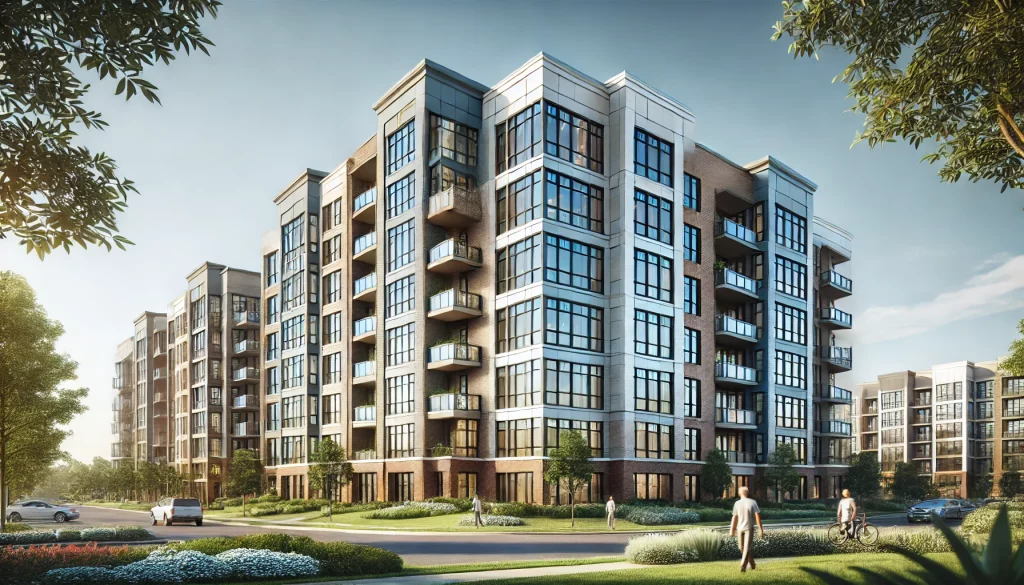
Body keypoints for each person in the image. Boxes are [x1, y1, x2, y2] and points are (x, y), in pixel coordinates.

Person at [729, 486, 764, 573]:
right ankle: (752, 564)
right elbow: (735, 517)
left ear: (739, 493)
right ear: (747, 493)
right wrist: (732, 529)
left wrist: (760, 530)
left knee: (746, 548)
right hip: (740, 529)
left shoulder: (752, 502)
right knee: (741, 547)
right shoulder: (737, 503)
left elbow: (757, 515)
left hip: (749, 528)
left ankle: (743, 566)